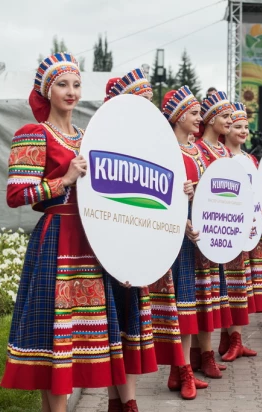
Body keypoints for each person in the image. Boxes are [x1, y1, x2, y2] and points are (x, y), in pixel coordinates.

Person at [1, 53, 127, 412]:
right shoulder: (33, 134)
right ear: (46, 90)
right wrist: (64, 180)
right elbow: (16, 194)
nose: (71, 92)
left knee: (83, 338)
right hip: (57, 239)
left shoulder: (90, 137)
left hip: (92, 239)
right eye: (62, 84)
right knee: (55, 339)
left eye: (76, 85)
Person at [103, 69, 171, 411]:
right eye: (141, 102)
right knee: (112, 329)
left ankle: (125, 403)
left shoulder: (155, 148)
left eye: (150, 102)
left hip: (137, 247)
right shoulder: (102, 140)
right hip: (105, 247)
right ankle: (120, 402)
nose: (148, 109)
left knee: (129, 328)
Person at [215, 101, 262, 362]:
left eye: (246, 127)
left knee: (241, 285)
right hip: (228, 228)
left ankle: (236, 339)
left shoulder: (251, 159)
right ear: (226, 128)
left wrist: (261, 209)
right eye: (237, 126)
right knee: (227, 285)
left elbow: (257, 191)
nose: (243, 131)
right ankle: (226, 338)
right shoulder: (219, 156)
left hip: (250, 229)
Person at [159, 85, 211, 399]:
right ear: (178, 117)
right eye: (193, 113)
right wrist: (182, 206)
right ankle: (179, 369)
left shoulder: (195, 150)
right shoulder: (165, 150)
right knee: (175, 303)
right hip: (171, 230)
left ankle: (183, 370)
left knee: (189, 303)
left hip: (194, 234)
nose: (199, 118)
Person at [190, 90, 236, 378]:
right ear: (210, 120)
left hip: (217, 229)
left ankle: (200, 355)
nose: (230, 122)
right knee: (199, 298)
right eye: (225, 117)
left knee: (210, 297)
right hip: (198, 230)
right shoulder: (197, 150)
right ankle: (202, 355)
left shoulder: (225, 152)